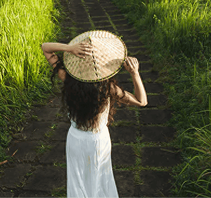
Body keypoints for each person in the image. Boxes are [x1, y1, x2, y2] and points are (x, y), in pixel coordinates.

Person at [41, 30, 147, 198]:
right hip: (98, 140)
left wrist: (69, 48)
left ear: (78, 61)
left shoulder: (67, 78)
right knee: (100, 179)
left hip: (75, 139)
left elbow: (46, 47)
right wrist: (135, 73)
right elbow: (142, 101)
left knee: (78, 181)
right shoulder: (107, 88)